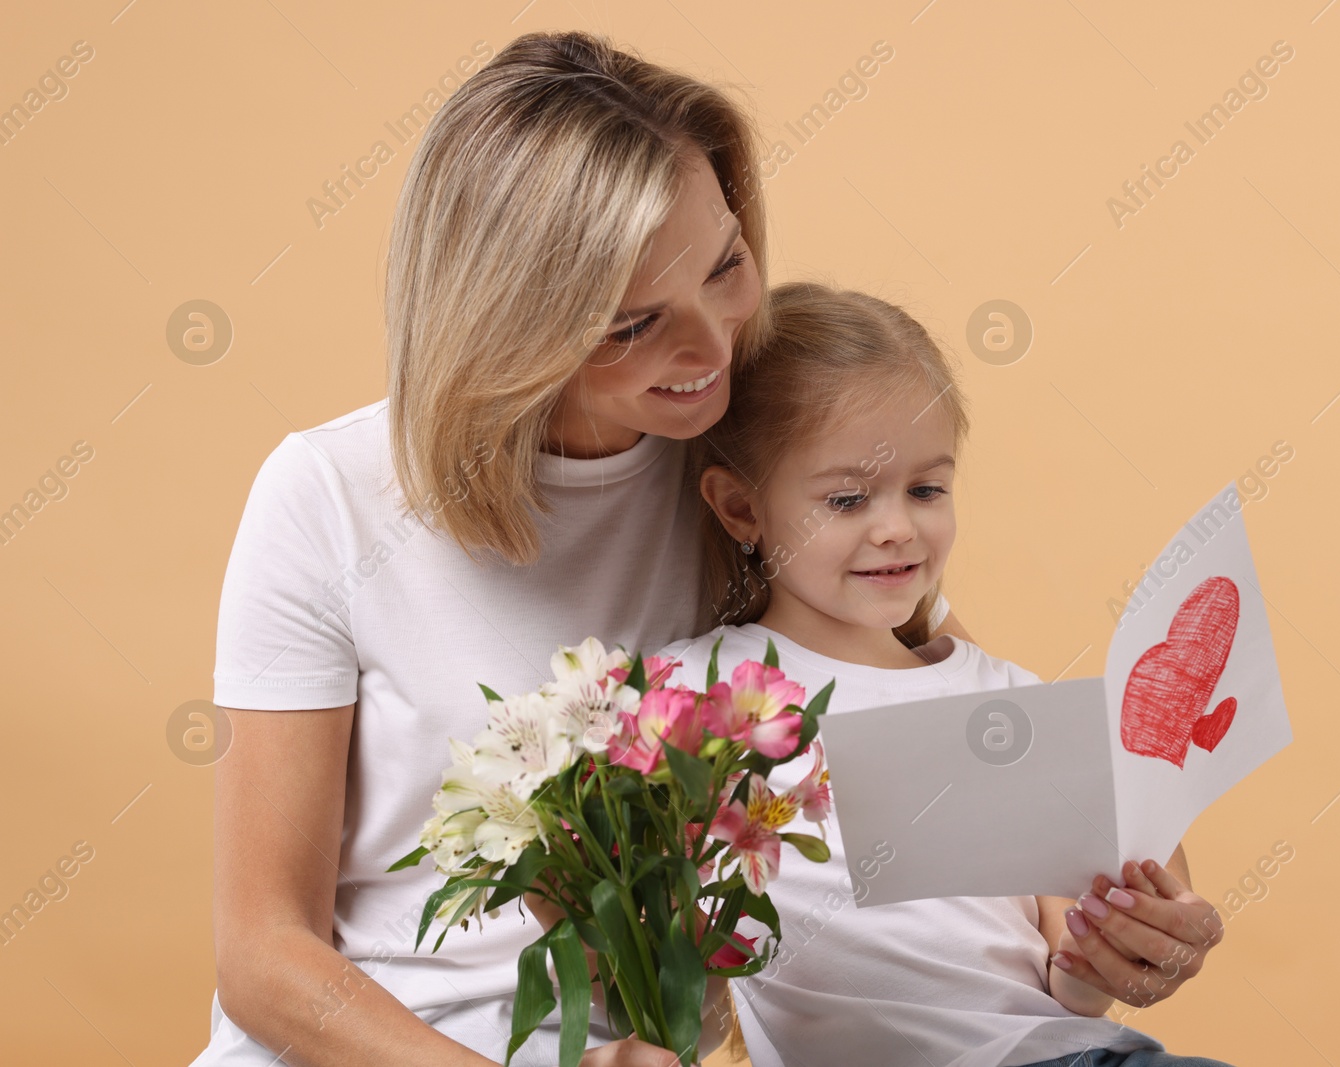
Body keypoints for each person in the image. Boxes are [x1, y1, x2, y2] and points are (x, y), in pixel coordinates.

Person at [191, 30, 851, 1067]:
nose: (713, 346)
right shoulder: (328, 497)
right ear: (507, 324)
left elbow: (946, 734)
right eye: (633, 324)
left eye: (726, 265)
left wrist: (1100, 912)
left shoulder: (763, 472)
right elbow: (265, 951)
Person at [651, 282, 1234, 1067]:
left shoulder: (1007, 697)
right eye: (848, 498)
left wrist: (1099, 963)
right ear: (741, 509)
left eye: (927, 488)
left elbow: (1069, 983)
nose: (898, 528)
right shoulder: (688, 696)